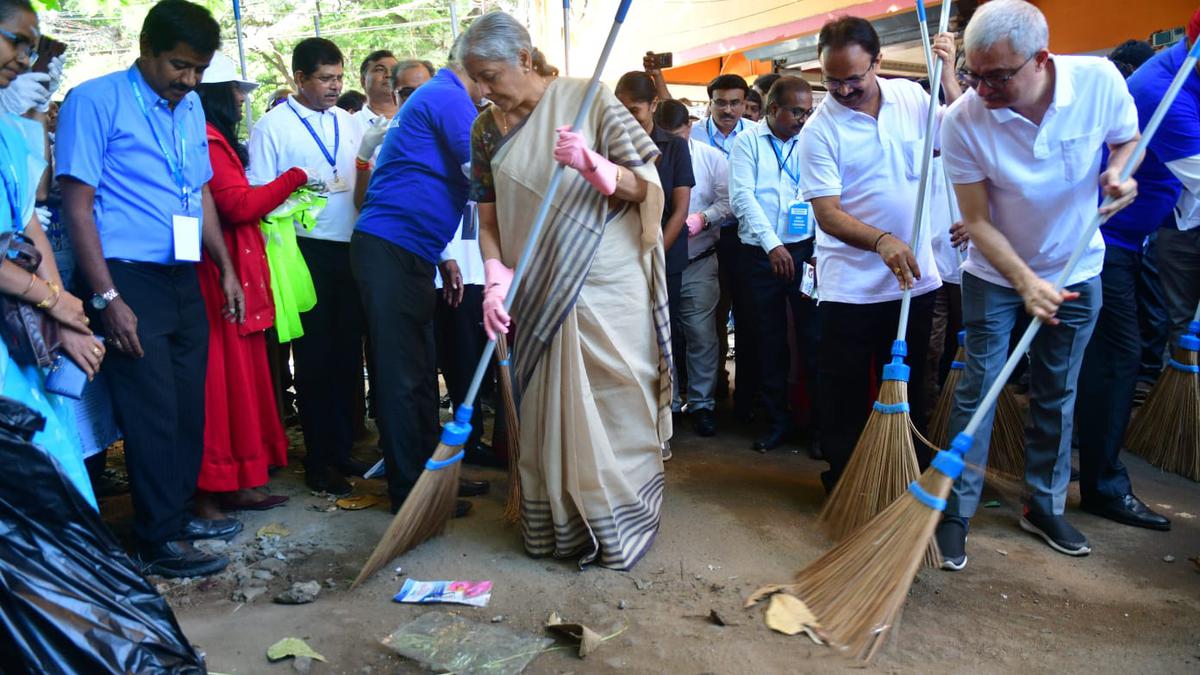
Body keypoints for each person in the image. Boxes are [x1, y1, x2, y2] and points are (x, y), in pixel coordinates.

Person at [936, 0, 1141, 567]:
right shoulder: (963, 120)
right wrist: (1024, 282)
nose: (981, 88)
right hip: (995, 274)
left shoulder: (1099, 81)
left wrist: (1121, 172)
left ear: (1041, 61)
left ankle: (1043, 504)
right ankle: (954, 512)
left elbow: (1128, 138)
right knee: (978, 389)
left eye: (998, 76)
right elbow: (975, 219)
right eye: (975, 74)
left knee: (1057, 392)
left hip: (1078, 269)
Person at [462, 12, 669, 569]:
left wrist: (592, 163)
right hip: (535, 286)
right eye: (474, 79)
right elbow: (487, 219)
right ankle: (564, 524)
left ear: (525, 59)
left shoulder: (588, 100)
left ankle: (622, 515)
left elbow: (645, 189)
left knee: (615, 398)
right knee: (547, 406)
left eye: (489, 75)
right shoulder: (485, 129)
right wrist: (494, 280)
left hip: (604, 278)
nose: (482, 90)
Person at [57, 0, 247, 578]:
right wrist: (108, 297)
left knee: (189, 404)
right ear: (146, 49)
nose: (189, 82)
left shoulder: (188, 108)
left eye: (198, 70)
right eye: (178, 66)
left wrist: (226, 268)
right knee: (151, 408)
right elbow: (77, 205)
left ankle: (179, 513)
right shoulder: (94, 101)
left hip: (183, 271)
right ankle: (155, 538)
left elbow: (203, 194)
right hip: (125, 273)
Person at [798, 17, 959, 488]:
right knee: (844, 391)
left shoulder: (911, 97)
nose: (843, 90)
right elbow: (827, 214)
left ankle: (909, 473)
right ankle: (847, 479)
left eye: (854, 78)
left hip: (914, 280)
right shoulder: (820, 130)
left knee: (913, 387)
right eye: (832, 80)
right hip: (849, 288)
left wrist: (948, 77)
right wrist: (881, 240)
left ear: (878, 62)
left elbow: (958, 136)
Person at [351, 35, 488, 515]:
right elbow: (483, 178)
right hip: (391, 250)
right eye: (491, 77)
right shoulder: (449, 95)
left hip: (414, 251)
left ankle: (436, 478)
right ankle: (411, 492)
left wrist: (445, 255)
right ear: (478, 65)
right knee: (401, 376)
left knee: (421, 373)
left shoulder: (441, 95)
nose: (494, 89)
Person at [1074, 24, 1200, 533]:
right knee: (1118, 359)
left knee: (1116, 356)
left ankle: (1086, 452)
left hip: (1140, 235)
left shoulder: (1184, 72)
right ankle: (1103, 486)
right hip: (1107, 242)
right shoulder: (1164, 91)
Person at [191, 53, 311, 519]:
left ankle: (238, 479)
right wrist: (295, 177)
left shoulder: (217, 140)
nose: (243, 100)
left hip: (230, 272)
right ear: (216, 95)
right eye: (237, 91)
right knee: (223, 383)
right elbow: (239, 206)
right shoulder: (208, 141)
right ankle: (216, 484)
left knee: (241, 378)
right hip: (216, 278)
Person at [247, 37, 365, 497]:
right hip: (301, 249)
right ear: (299, 79)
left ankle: (341, 449)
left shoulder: (347, 123)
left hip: (348, 246)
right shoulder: (272, 126)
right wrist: (298, 193)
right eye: (325, 79)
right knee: (314, 357)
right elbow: (259, 190)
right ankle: (319, 461)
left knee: (345, 353)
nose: (335, 87)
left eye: (339, 77)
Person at [0, 0, 101, 509]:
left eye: (33, 48)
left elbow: (29, 210)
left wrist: (63, 311)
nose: (24, 57)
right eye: (16, 41)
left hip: (17, 327)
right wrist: (52, 302)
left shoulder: (6, 124)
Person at [729, 76, 818, 452]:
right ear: (773, 110)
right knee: (768, 340)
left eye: (807, 112)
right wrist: (772, 245)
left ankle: (816, 427)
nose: (802, 119)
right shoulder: (747, 141)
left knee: (813, 339)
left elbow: (823, 194)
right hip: (761, 256)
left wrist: (818, 248)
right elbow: (742, 198)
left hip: (805, 252)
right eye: (796, 111)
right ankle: (776, 421)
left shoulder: (813, 140)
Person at [615, 71, 692, 458]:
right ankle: (628, 423)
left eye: (634, 110)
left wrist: (655, 250)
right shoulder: (608, 144)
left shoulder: (675, 148)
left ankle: (661, 423)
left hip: (663, 257)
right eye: (620, 109)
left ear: (653, 106)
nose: (627, 117)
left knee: (662, 339)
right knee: (627, 343)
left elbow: (679, 210)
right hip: (619, 262)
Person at [659, 99, 730, 437]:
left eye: (679, 137)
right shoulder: (650, 153)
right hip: (657, 262)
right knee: (663, 336)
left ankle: (702, 404)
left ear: (689, 127)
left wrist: (704, 218)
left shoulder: (711, 158)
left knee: (701, 335)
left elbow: (730, 202)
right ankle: (668, 405)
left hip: (699, 259)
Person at [693, 74, 757, 420]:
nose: (728, 109)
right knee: (710, 315)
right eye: (721, 102)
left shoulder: (757, 135)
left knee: (746, 313)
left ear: (746, 103)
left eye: (735, 102)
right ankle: (713, 386)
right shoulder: (693, 136)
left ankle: (745, 393)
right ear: (710, 103)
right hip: (703, 238)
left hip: (744, 237)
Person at [356, 49, 398, 127]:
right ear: (363, 81)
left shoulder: (415, 120)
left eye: (394, 70)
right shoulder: (350, 123)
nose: (389, 75)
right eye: (380, 70)